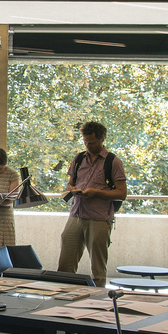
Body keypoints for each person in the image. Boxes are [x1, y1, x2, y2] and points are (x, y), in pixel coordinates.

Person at [56, 121, 127, 287]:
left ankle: (98, 301)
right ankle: (63, 295)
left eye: (92, 143)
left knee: (98, 268)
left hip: (99, 218)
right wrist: (71, 189)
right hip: (76, 214)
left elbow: (122, 193)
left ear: (102, 139)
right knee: (65, 264)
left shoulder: (113, 162)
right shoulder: (79, 158)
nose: (88, 146)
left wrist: (97, 193)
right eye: (85, 142)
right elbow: (70, 183)